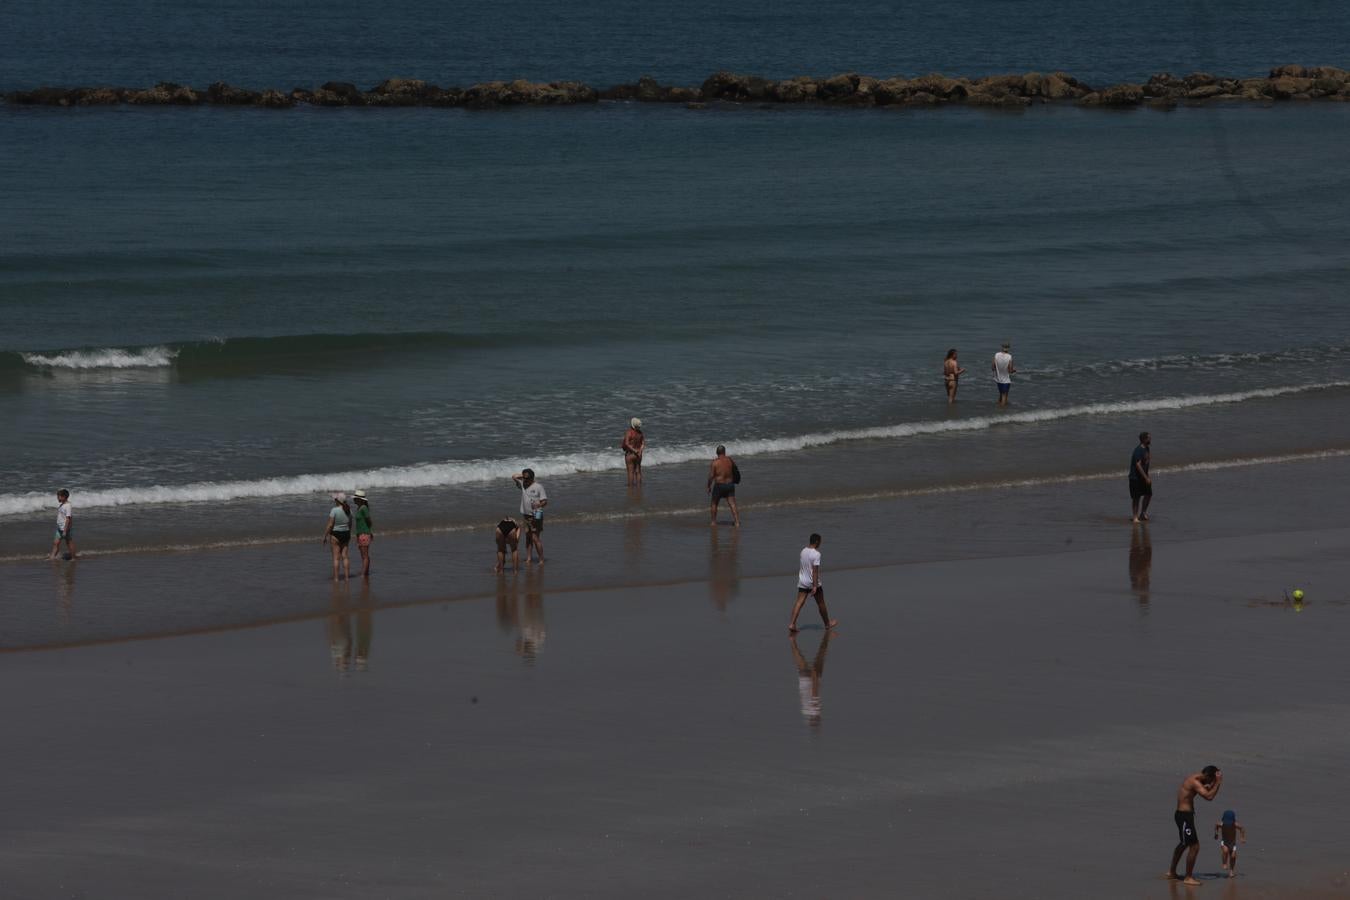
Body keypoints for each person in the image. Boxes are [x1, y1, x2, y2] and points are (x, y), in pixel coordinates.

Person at [1167, 765, 1223, 886]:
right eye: (1211, 780)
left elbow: (1204, 789)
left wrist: (1211, 784)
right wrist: (1218, 783)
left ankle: (1171, 872)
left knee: (1184, 844)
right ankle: (1188, 877)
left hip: (1184, 816)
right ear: (1208, 776)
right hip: (1184, 817)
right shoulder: (1194, 782)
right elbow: (1209, 796)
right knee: (1194, 846)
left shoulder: (1197, 779)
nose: (1211, 783)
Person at [788, 533, 837, 633]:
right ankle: (827, 624)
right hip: (812, 582)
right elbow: (815, 571)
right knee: (821, 603)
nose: (820, 544)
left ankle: (792, 624)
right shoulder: (816, 554)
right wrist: (815, 586)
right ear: (817, 542)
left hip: (803, 581)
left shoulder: (803, 551)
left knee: (799, 602)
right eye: (820, 542)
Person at [512, 469, 548, 563]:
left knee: (535, 538)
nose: (525, 480)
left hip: (536, 515)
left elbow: (545, 501)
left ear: (532, 478)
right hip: (526, 515)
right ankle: (529, 558)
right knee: (528, 538)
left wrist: (539, 505)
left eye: (527, 478)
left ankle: (541, 559)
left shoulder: (538, 487)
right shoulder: (523, 485)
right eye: (524, 478)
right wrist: (523, 476)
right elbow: (514, 477)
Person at [707, 445, 740, 527]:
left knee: (714, 503)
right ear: (724, 452)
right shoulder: (730, 460)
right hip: (730, 485)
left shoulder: (715, 463)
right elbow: (735, 471)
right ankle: (737, 522)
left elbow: (711, 476)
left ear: (717, 452)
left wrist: (708, 486)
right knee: (732, 504)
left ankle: (713, 522)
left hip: (719, 486)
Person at [322, 493, 352, 582]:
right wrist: (348, 533)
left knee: (336, 558)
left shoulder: (334, 510)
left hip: (336, 534)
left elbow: (330, 525)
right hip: (346, 534)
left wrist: (325, 535)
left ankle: (336, 579)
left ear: (338, 501)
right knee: (345, 557)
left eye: (335, 499)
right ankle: (347, 578)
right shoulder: (349, 510)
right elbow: (350, 524)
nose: (334, 501)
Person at [1213, 809, 1247, 878]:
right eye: (1227, 822)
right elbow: (1216, 825)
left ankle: (1231, 871)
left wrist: (1242, 837)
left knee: (1233, 857)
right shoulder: (1221, 824)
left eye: (1230, 822)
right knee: (1225, 851)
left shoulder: (1235, 825)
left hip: (1233, 843)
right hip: (1224, 842)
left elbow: (1242, 828)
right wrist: (1216, 834)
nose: (1228, 824)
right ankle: (1224, 863)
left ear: (1233, 820)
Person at [49, 489, 78, 560]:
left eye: (58, 496)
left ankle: (73, 558)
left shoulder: (68, 506)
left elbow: (68, 519)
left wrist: (65, 530)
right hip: (59, 528)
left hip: (66, 529)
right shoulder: (62, 505)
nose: (57, 498)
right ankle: (52, 557)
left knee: (69, 543)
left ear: (64, 497)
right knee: (56, 543)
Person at [1131, 431, 1153, 523]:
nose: (1150, 439)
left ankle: (1143, 513)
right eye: (1149, 438)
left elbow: (1146, 463)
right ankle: (1135, 517)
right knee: (1136, 498)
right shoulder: (1138, 450)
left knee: (1148, 494)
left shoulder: (1147, 448)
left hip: (1144, 477)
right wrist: (1146, 477)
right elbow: (1138, 465)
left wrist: (1148, 476)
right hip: (1135, 478)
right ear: (1144, 439)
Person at [353, 489, 374, 578]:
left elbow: (369, 521)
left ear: (360, 500)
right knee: (363, 555)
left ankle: (363, 573)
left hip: (364, 533)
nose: (354, 500)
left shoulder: (364, 508)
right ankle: (365, 572)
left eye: (355, 498)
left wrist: (370, 532)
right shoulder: (359, 508)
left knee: (364, 556)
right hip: (360, 534)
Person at [622, 417, 645, 486]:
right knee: (638, 471)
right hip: (639, 454)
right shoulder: (640, 433)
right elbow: (643, 443)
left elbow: (626, 443)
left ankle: (630, 487)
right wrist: (640, 451)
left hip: (630, 454)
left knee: (630, 472)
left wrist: (634, 450)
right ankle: (639, 486)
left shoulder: (629, 432)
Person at [992, 341, 1016, 406]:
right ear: (1008, 348)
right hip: (1006, 380)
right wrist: (1014, 370)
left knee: (1001, 394)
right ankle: (1002, 412)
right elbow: (1010, 371)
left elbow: (993, 367)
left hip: (998, 379)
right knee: (1004, 396)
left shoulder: (996, 354)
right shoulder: (1009, 357)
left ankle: (999, 409)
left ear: (1002, 347)